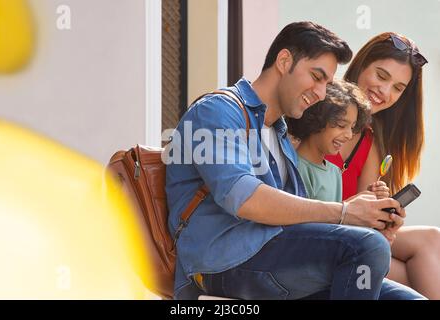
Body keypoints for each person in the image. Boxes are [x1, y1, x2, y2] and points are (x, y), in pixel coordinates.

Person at [166, 22, 424, 300]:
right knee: (368, 246)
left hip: (277, 259)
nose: (322, 93)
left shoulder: (279, 131)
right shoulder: (218, 111)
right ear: (284, 60)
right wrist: (344, 213)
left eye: (326, 83)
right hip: (222, 264)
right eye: (316, 76)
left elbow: (301, 218)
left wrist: (366, 220)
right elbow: (242, 198)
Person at [325, 32, 440, 299]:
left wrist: (385, 220)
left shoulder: (371, 139)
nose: (385, 92)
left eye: (398, 88)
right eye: (381, 76)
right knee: (420, 260)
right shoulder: (317, 117)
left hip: (355, 236)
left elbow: (367, 215)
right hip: (323, 234)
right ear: (361, 64)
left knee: (432, 240)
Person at [288, 80, 371, 202]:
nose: (349, 135)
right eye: (341, 125)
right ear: (316, 120)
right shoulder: (297, 168)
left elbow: (334, 217)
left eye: (352, 128)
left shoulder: (335, 171)